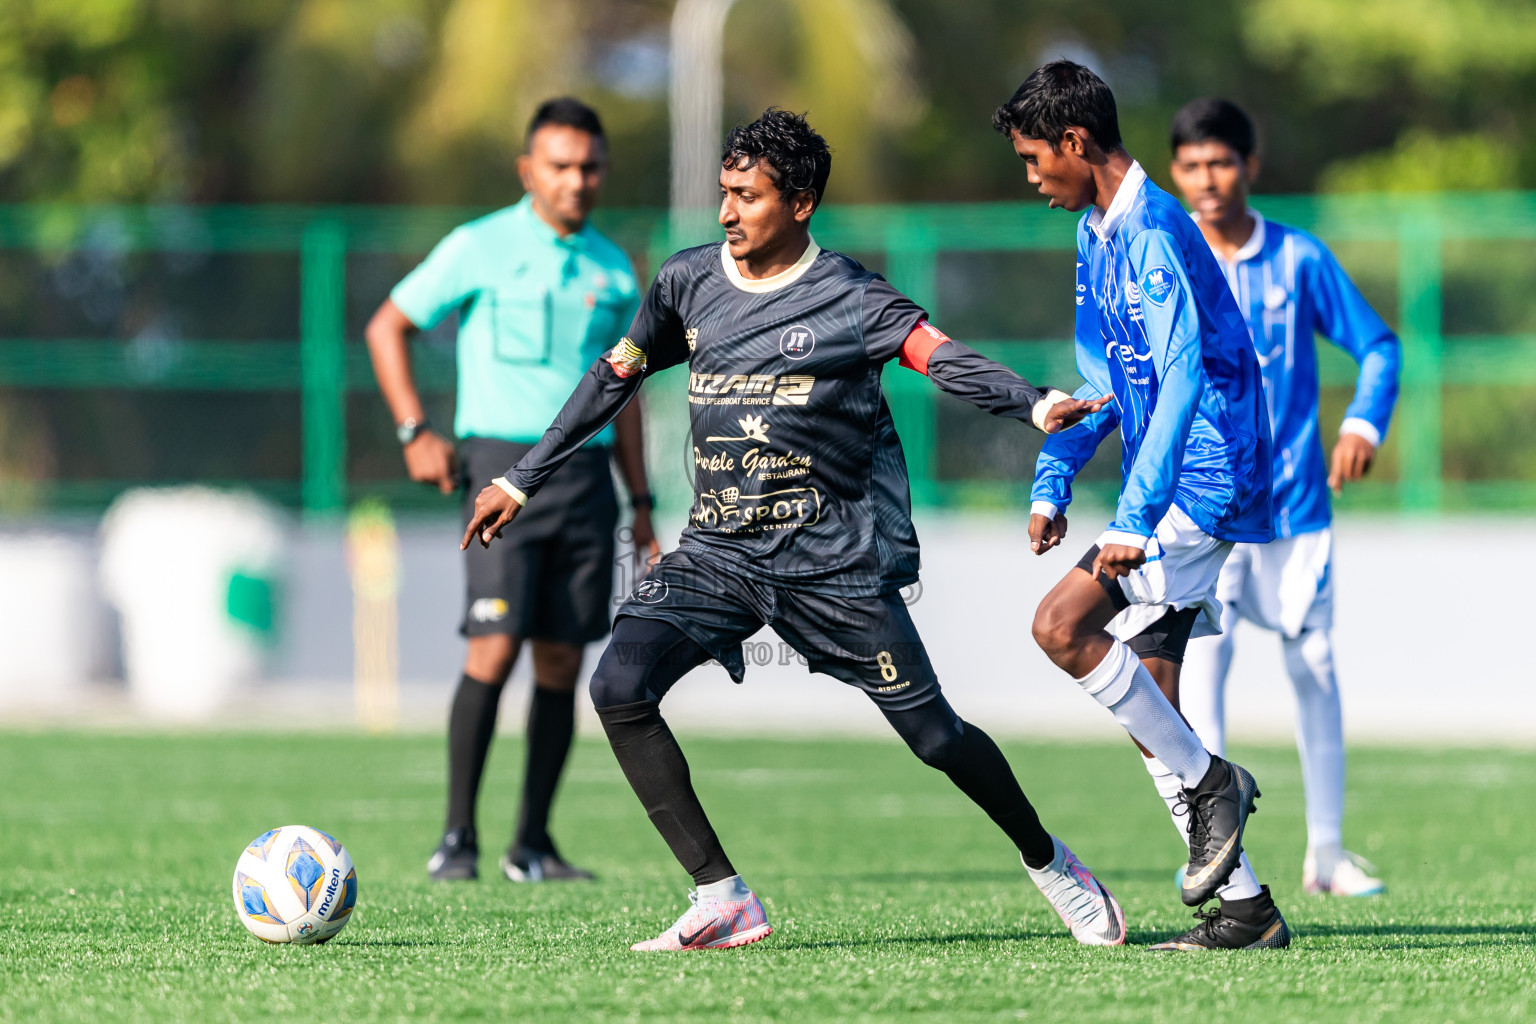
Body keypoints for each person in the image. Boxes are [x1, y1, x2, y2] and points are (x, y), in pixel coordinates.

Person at [462, 108, 1126, 952]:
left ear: (802, 202)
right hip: (717, 553)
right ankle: (721, 896)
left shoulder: (851, 297)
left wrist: (1032, 404)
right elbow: (613, 377)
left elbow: (939, 355)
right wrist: (519, 478)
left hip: (831, 566)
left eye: (748, 197)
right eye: (724, 194)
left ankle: (1048, 860)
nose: (727, 213)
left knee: (936, 737)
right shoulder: (688, 282)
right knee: (618, 689)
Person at [994, 61, 1290, 951]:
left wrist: (1132, 514)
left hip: (1208, 476)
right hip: (1178, 477)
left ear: (1075, 143)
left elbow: (1184, 375)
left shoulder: (1155, 228)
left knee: (1060, 626)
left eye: (1033, 156)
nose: (1030, 174)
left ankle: (1215, 784)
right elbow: (1104, 379)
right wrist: (1054, 479)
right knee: (1148, 706)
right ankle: (1245, 911)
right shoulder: (1096, 229)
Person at [365, 97, 660, 884]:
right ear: (528, 170)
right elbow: (386, 325)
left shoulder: (611, 267)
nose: (577, 180)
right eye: (560, 166)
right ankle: (456, 837)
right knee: (494, 645)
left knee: (563, 659)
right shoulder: (479, 246)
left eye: (590, 166)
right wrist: (413, 431)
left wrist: (642, 504)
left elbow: (624, 393)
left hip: (586, 478)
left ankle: (532, 844)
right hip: (499, 468)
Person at [1168, 98, 1400, 897]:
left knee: (1317, 664)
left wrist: (1364, 422)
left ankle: (1327, 853)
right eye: (1193, 165)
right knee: (1204, 663)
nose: (1208, 179)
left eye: (1222, 162)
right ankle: (1223, 855)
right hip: (1205, 510)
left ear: (1250, 167)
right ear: (1175, 172)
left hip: (1297, 505)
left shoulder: (1298, 260)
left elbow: (1378, 345)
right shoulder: (1170, 260)